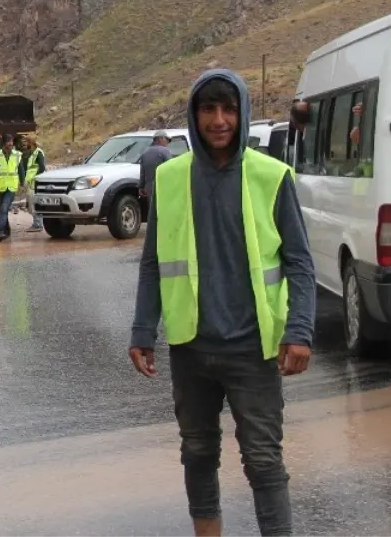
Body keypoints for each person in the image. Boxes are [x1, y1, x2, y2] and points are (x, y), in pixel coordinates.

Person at [128, 69, 316, 537]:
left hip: (253, 347)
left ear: (242, 113)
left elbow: (300, 262)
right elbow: (154, 263)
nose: (218, 120)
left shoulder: (271, 176)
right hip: (191, 345)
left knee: (263, 460)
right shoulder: (170, 178)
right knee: (197, 452)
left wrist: (300, 330)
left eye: (227, 109)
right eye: (208, 109)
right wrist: (141, 331)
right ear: (193, 116)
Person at [0, 133, 22, 242]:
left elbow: (21, 170)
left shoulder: (17, 155)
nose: (11, 144)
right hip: (0, 187)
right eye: (8, 142)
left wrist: (23, 182)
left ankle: (0, 231)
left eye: (11, 142)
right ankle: (7, 230)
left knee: (4, 208)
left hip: (11, 187)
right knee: (2, 209)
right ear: (4, 143)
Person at [137, 130, 174, 221]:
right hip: (164, 185)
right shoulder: (165, 151)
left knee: (153, 210)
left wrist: (141, 187)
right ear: (160, 139)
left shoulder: (145, 152)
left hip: (149, 187)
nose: (167, 143)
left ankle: (154, 231)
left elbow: (143, 172)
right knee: (165, 210)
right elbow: (172, 168)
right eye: (166, 140)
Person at [19, 135, 47, 232]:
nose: (24, 144)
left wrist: (36, 177)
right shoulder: (29, 153)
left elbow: (42, 168)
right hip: (30, 182)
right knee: (30, 204)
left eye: (26, 142)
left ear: (30, 142)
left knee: (34, 203)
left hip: (35, 182)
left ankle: (38, 224)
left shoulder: (38, 153)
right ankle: (37, 223)